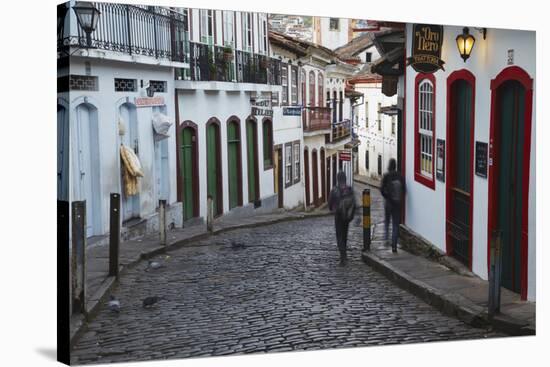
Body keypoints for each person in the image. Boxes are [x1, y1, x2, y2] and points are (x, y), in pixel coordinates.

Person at [328, 171, 356, 266]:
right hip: (347, 217)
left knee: (339, 236)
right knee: (344, 235)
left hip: (338, 216)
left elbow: (330, 203)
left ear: (337, 179)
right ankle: (344, 255)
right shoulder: (349, 189)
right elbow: (354, 203)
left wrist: (332, 209)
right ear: (345, 178)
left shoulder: (334, 190)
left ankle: (343, 256)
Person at [380, 158, 406, 253]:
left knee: (387, 222)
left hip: (388, 203)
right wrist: (399, 200)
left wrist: (387, 197)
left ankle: (386, 239)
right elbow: (404, 190)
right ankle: (394, 246)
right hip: (397, 204)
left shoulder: (386, 176)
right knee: (395, 225)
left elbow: (382, 189)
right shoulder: (400, 176)